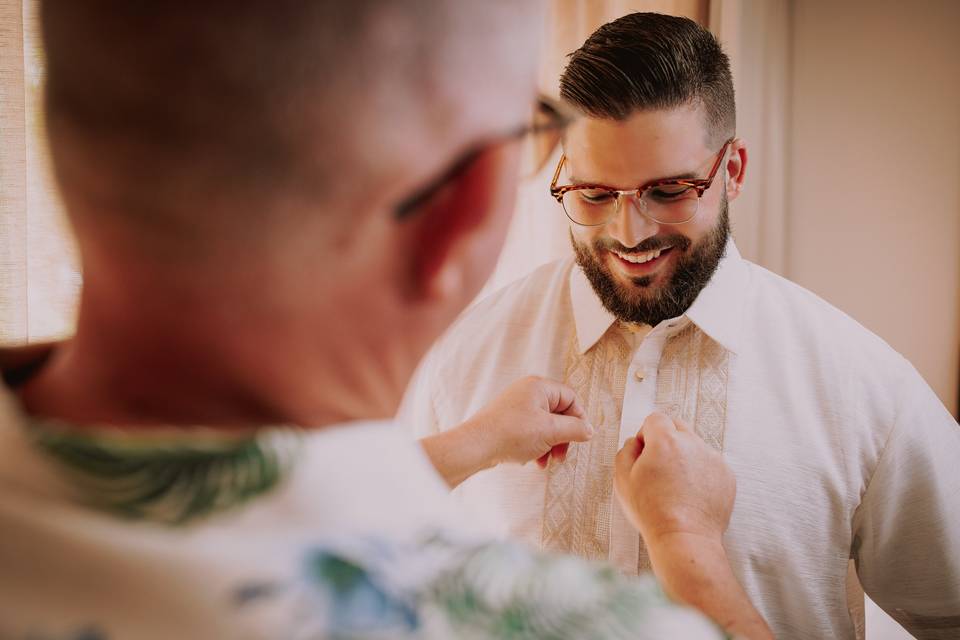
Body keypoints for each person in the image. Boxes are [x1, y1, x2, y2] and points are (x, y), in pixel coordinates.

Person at [0, 2, 774, 639]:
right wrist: (687, 543)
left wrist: (463, 448)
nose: (629, 231)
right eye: (586, 185)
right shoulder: (570, 626)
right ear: (467, 204)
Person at [403, 11, 960, 640]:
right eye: (593, 193)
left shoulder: (860, 387)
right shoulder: (461, 361)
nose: (629, 232)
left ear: (735, 170)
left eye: (669, 190)